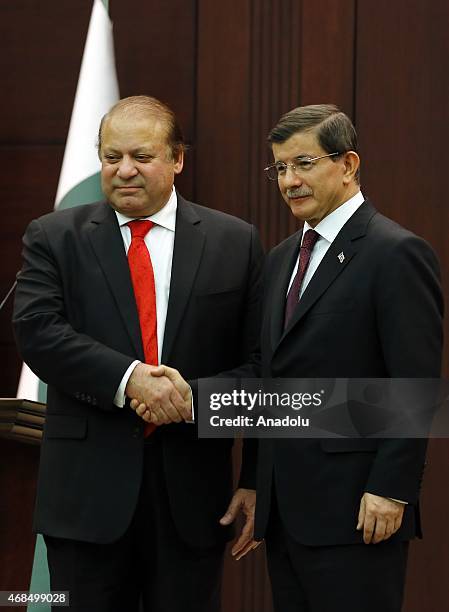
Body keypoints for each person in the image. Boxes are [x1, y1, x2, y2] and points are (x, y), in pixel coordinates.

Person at [13, 95, 263, 612]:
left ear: (177, 160)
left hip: (192, 500)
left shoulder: (233, 241)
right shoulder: (54, 236)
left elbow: (262, 364)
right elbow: (38, 330)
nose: (124, 170)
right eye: (111, 157)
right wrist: (132, 380)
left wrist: (193, 401)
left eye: (142, 156)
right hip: (84, 501)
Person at [253, 104, 443, 612]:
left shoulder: (395, 252)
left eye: (304, 163)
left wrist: (391, 489)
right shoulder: (279, 260)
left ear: (349, 164)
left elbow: (414, 383)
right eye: (280, 168)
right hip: (287, 514)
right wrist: (254, 482)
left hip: (359, 509)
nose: (289, 180)